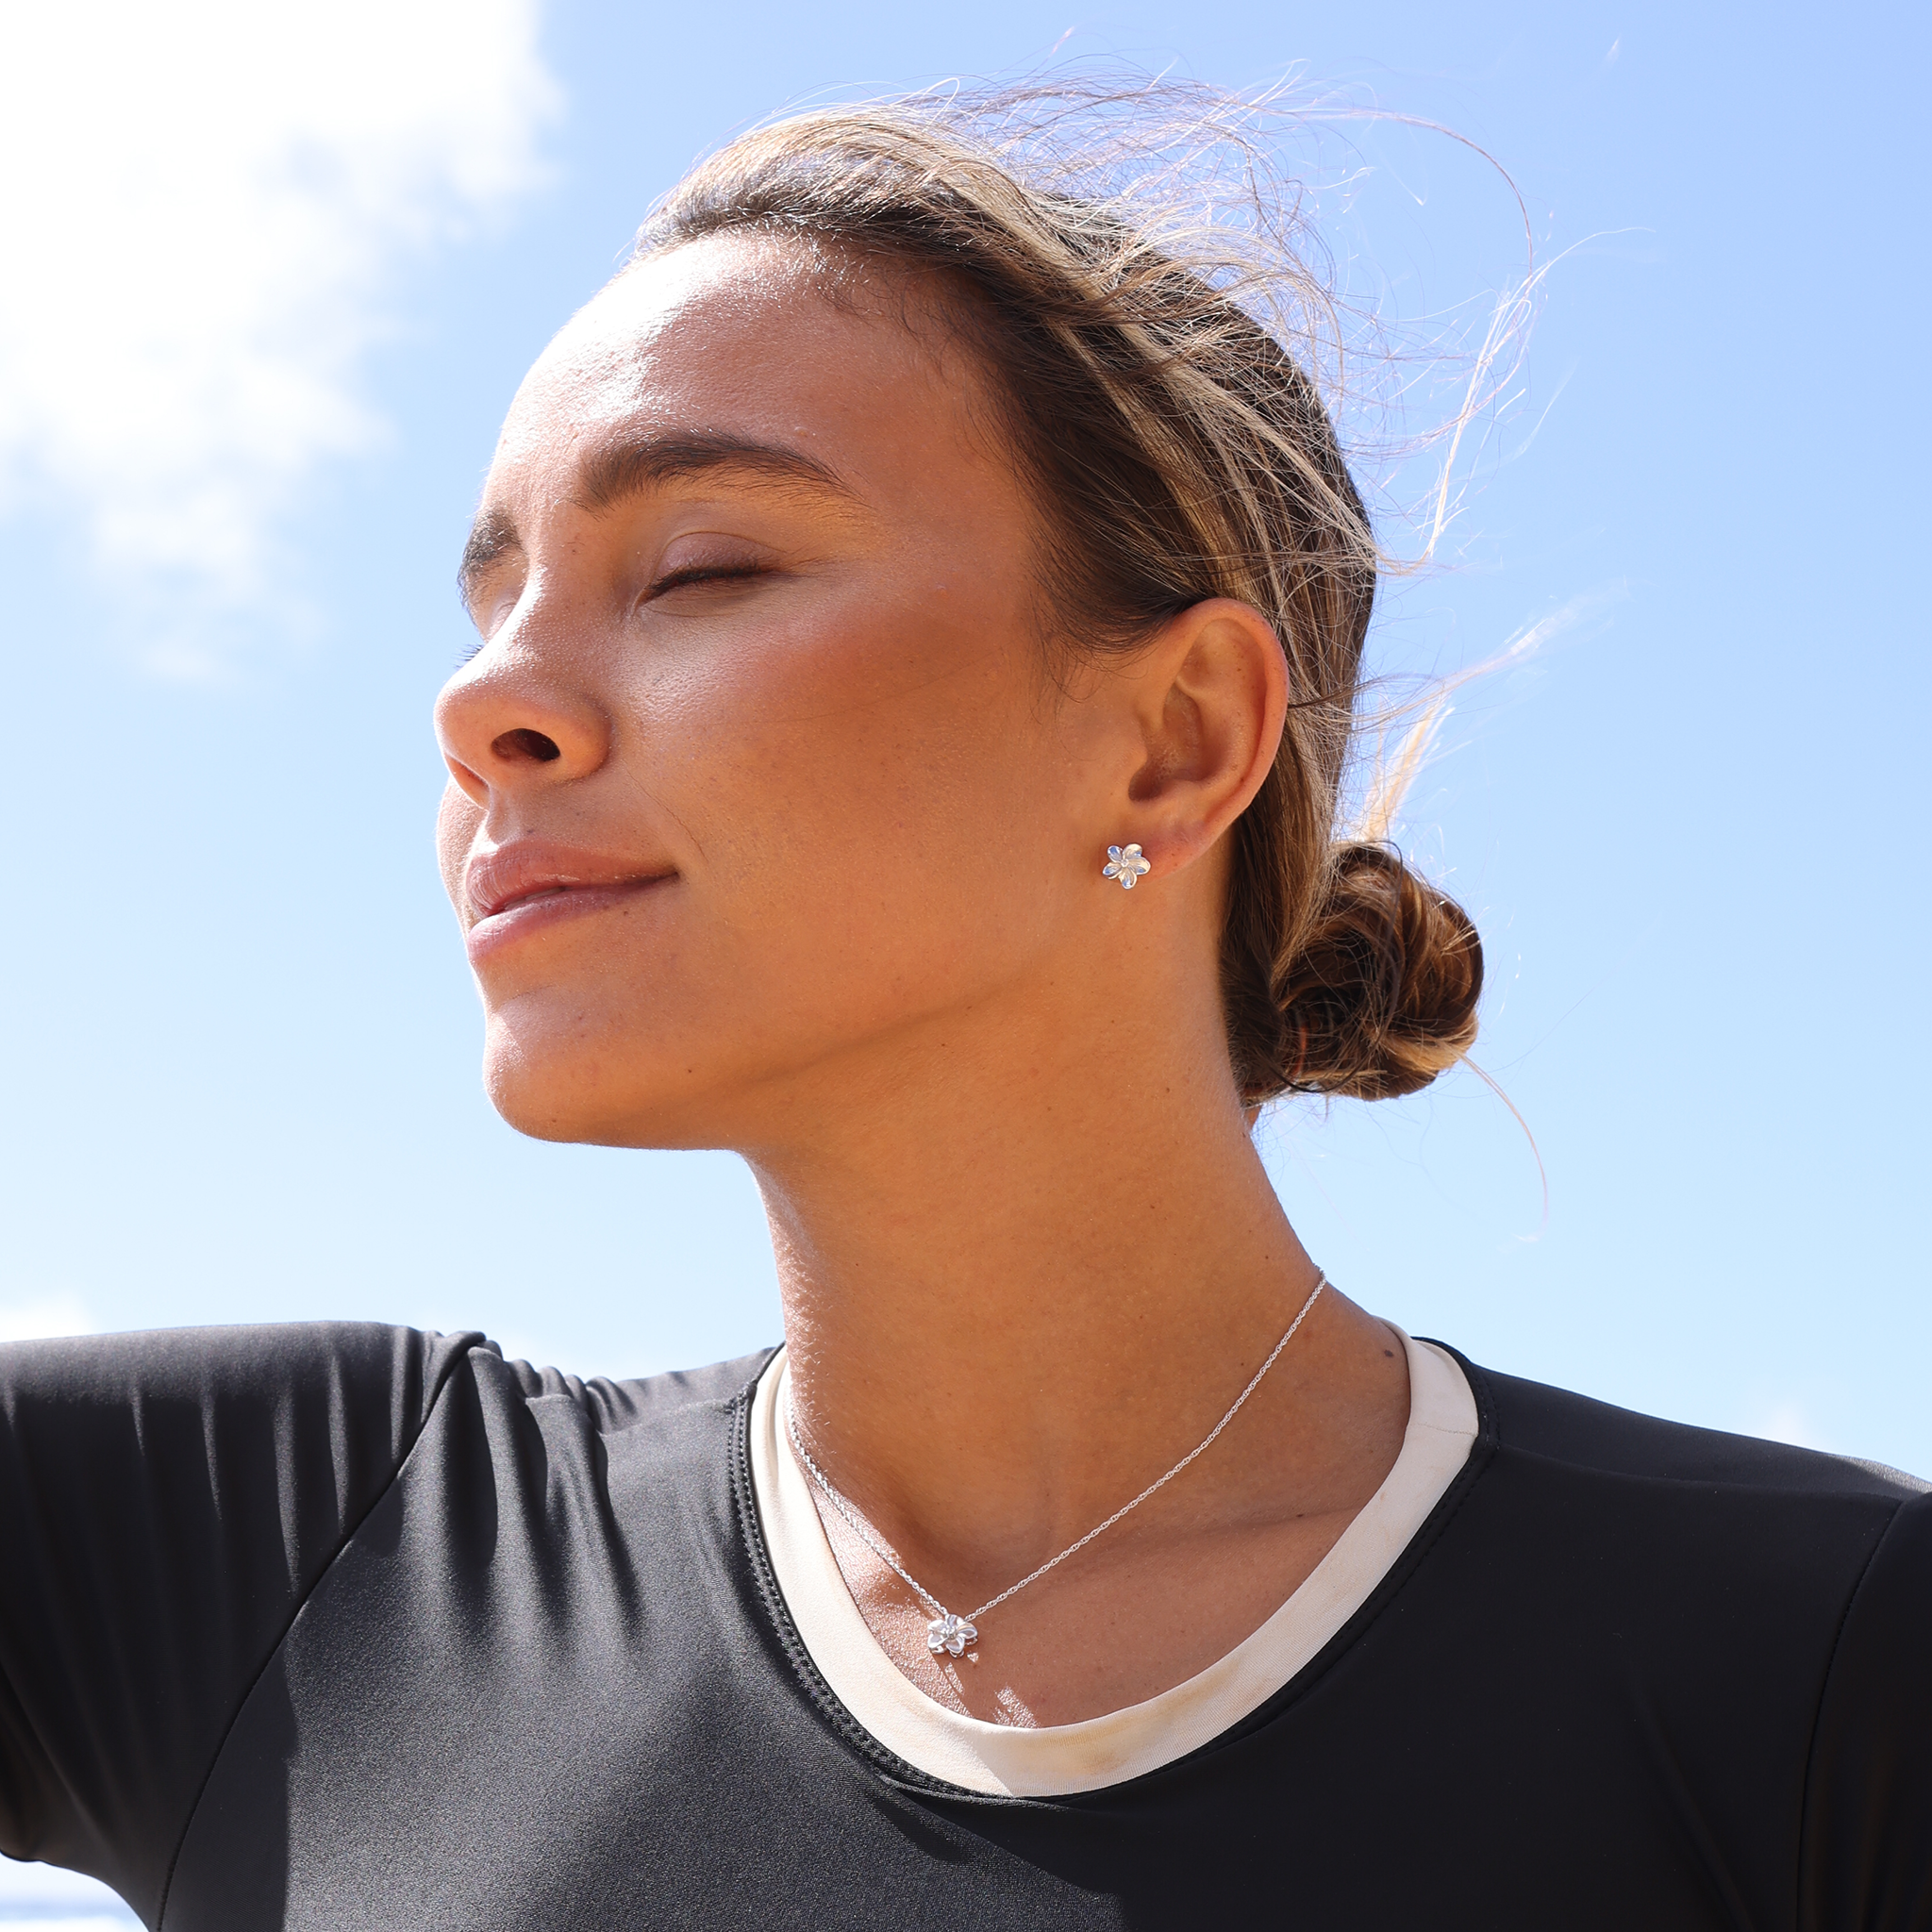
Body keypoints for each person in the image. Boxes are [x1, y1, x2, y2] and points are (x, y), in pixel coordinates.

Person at [2, 93, 1926, 1931]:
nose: (483, 705)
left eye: (699, 566)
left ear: (1173, 742)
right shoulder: (273, 1550)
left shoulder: (1827, 1667)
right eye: (492, 602)